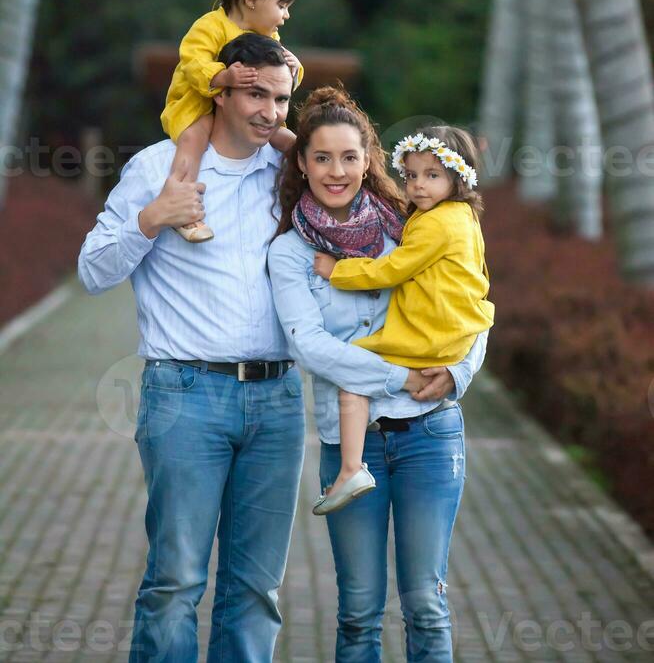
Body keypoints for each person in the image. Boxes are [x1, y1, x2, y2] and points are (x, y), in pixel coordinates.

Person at [78, 33, 305, 663]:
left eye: (282, 99)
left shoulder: (293, 176)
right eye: (256, 94)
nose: (271, 111)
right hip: (186, 396)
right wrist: (151, 218)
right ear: (220, 89)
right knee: (176, 581)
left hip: (280, 399)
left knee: (257, 588)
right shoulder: (157, 168)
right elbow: (93, 270)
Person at [268, 87, 488, 663]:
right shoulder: (291, 253)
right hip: (352, 447)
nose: (336, 171)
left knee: (426, 604)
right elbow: (309, 344)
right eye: (321, 158)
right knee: (358, 612)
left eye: (348, 157)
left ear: (368, 160)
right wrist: (399, 377)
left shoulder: (413, 228)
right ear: (303, 163)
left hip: (429, 436)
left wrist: (458, 372)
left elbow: (470, 304)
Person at [312, 126, 494, 514]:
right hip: (455, 327)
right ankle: (352, 468)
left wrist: (337, 271)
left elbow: (390, 270)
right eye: (411, 176)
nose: (418, 186)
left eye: (432, 176)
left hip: (430, 331)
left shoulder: (436, 223)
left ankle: (350, 470)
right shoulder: (464, 217)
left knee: (353, 368)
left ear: (457, 177)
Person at [161, 0, 303, 242]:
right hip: (198, 104)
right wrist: (223, 76)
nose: (286, 15)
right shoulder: (209, 26)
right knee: (192, 140)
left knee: (286, 138)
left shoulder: (269, 37)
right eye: (282, 4)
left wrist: (294, 68)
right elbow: (192, 61)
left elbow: (279, 80)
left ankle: (315, 180)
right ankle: (182, 208)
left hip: (242, 113)